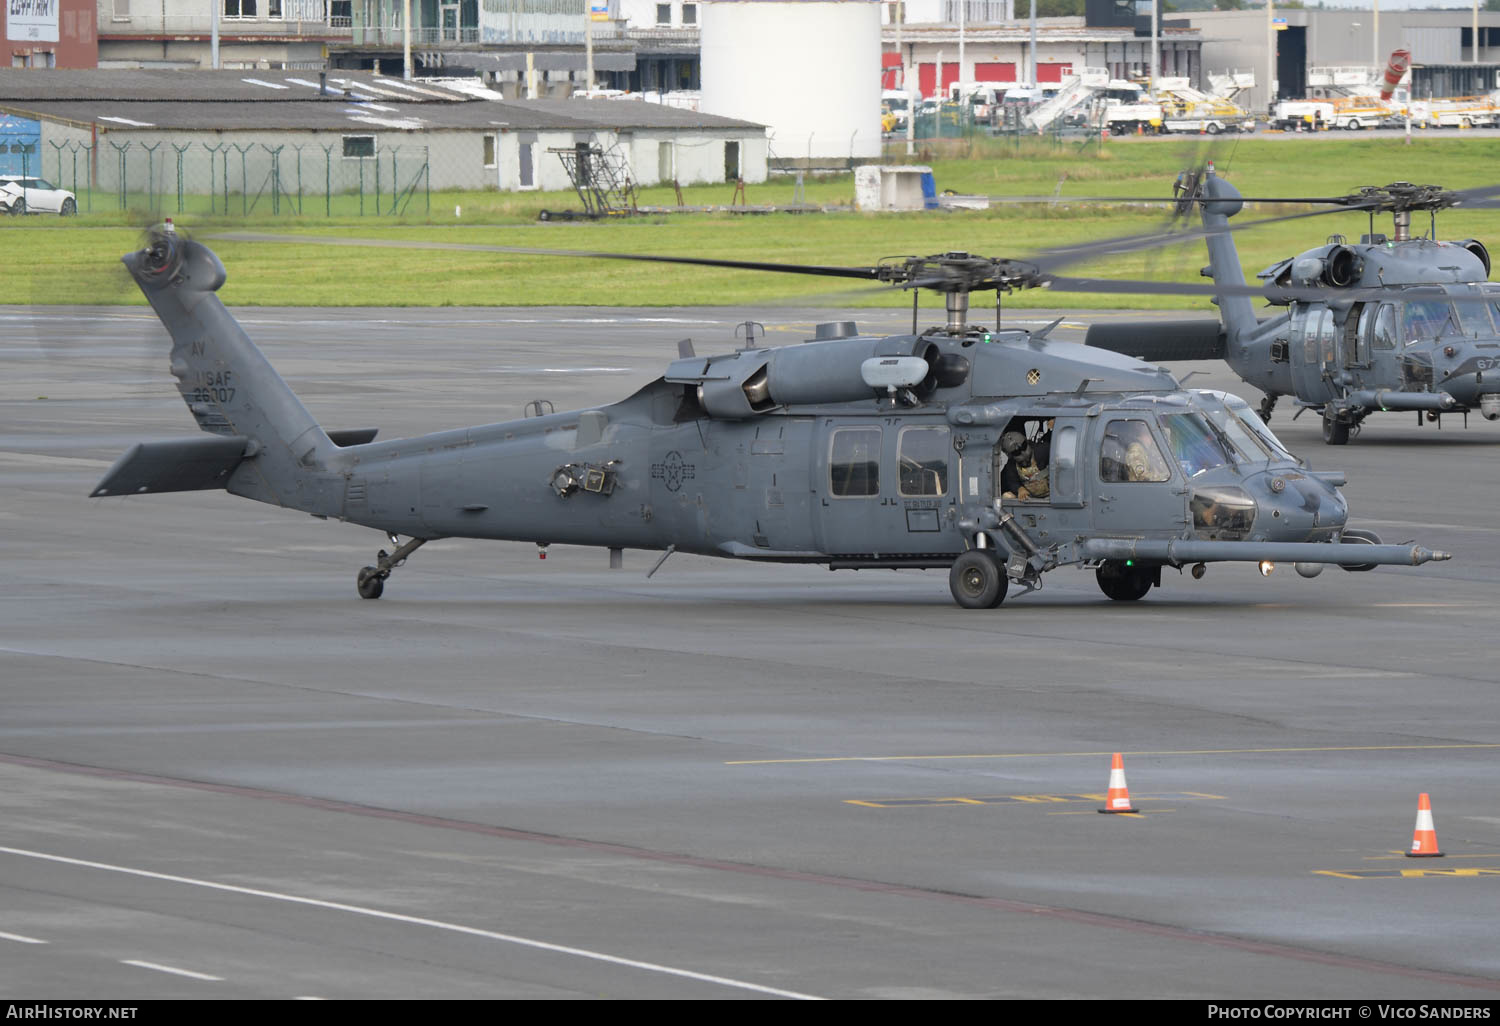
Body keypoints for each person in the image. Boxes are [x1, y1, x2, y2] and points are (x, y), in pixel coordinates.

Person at [999, 429, 1050, 501]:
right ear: (1011, 455)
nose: (1023, 453)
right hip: (1031, 498)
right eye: (1016, 452)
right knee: (1007, 496)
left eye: (1024, 446)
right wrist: (1019, 489)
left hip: (1052, 495)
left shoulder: (1043, 450)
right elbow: (1011, 481)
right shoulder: (1011, 466)